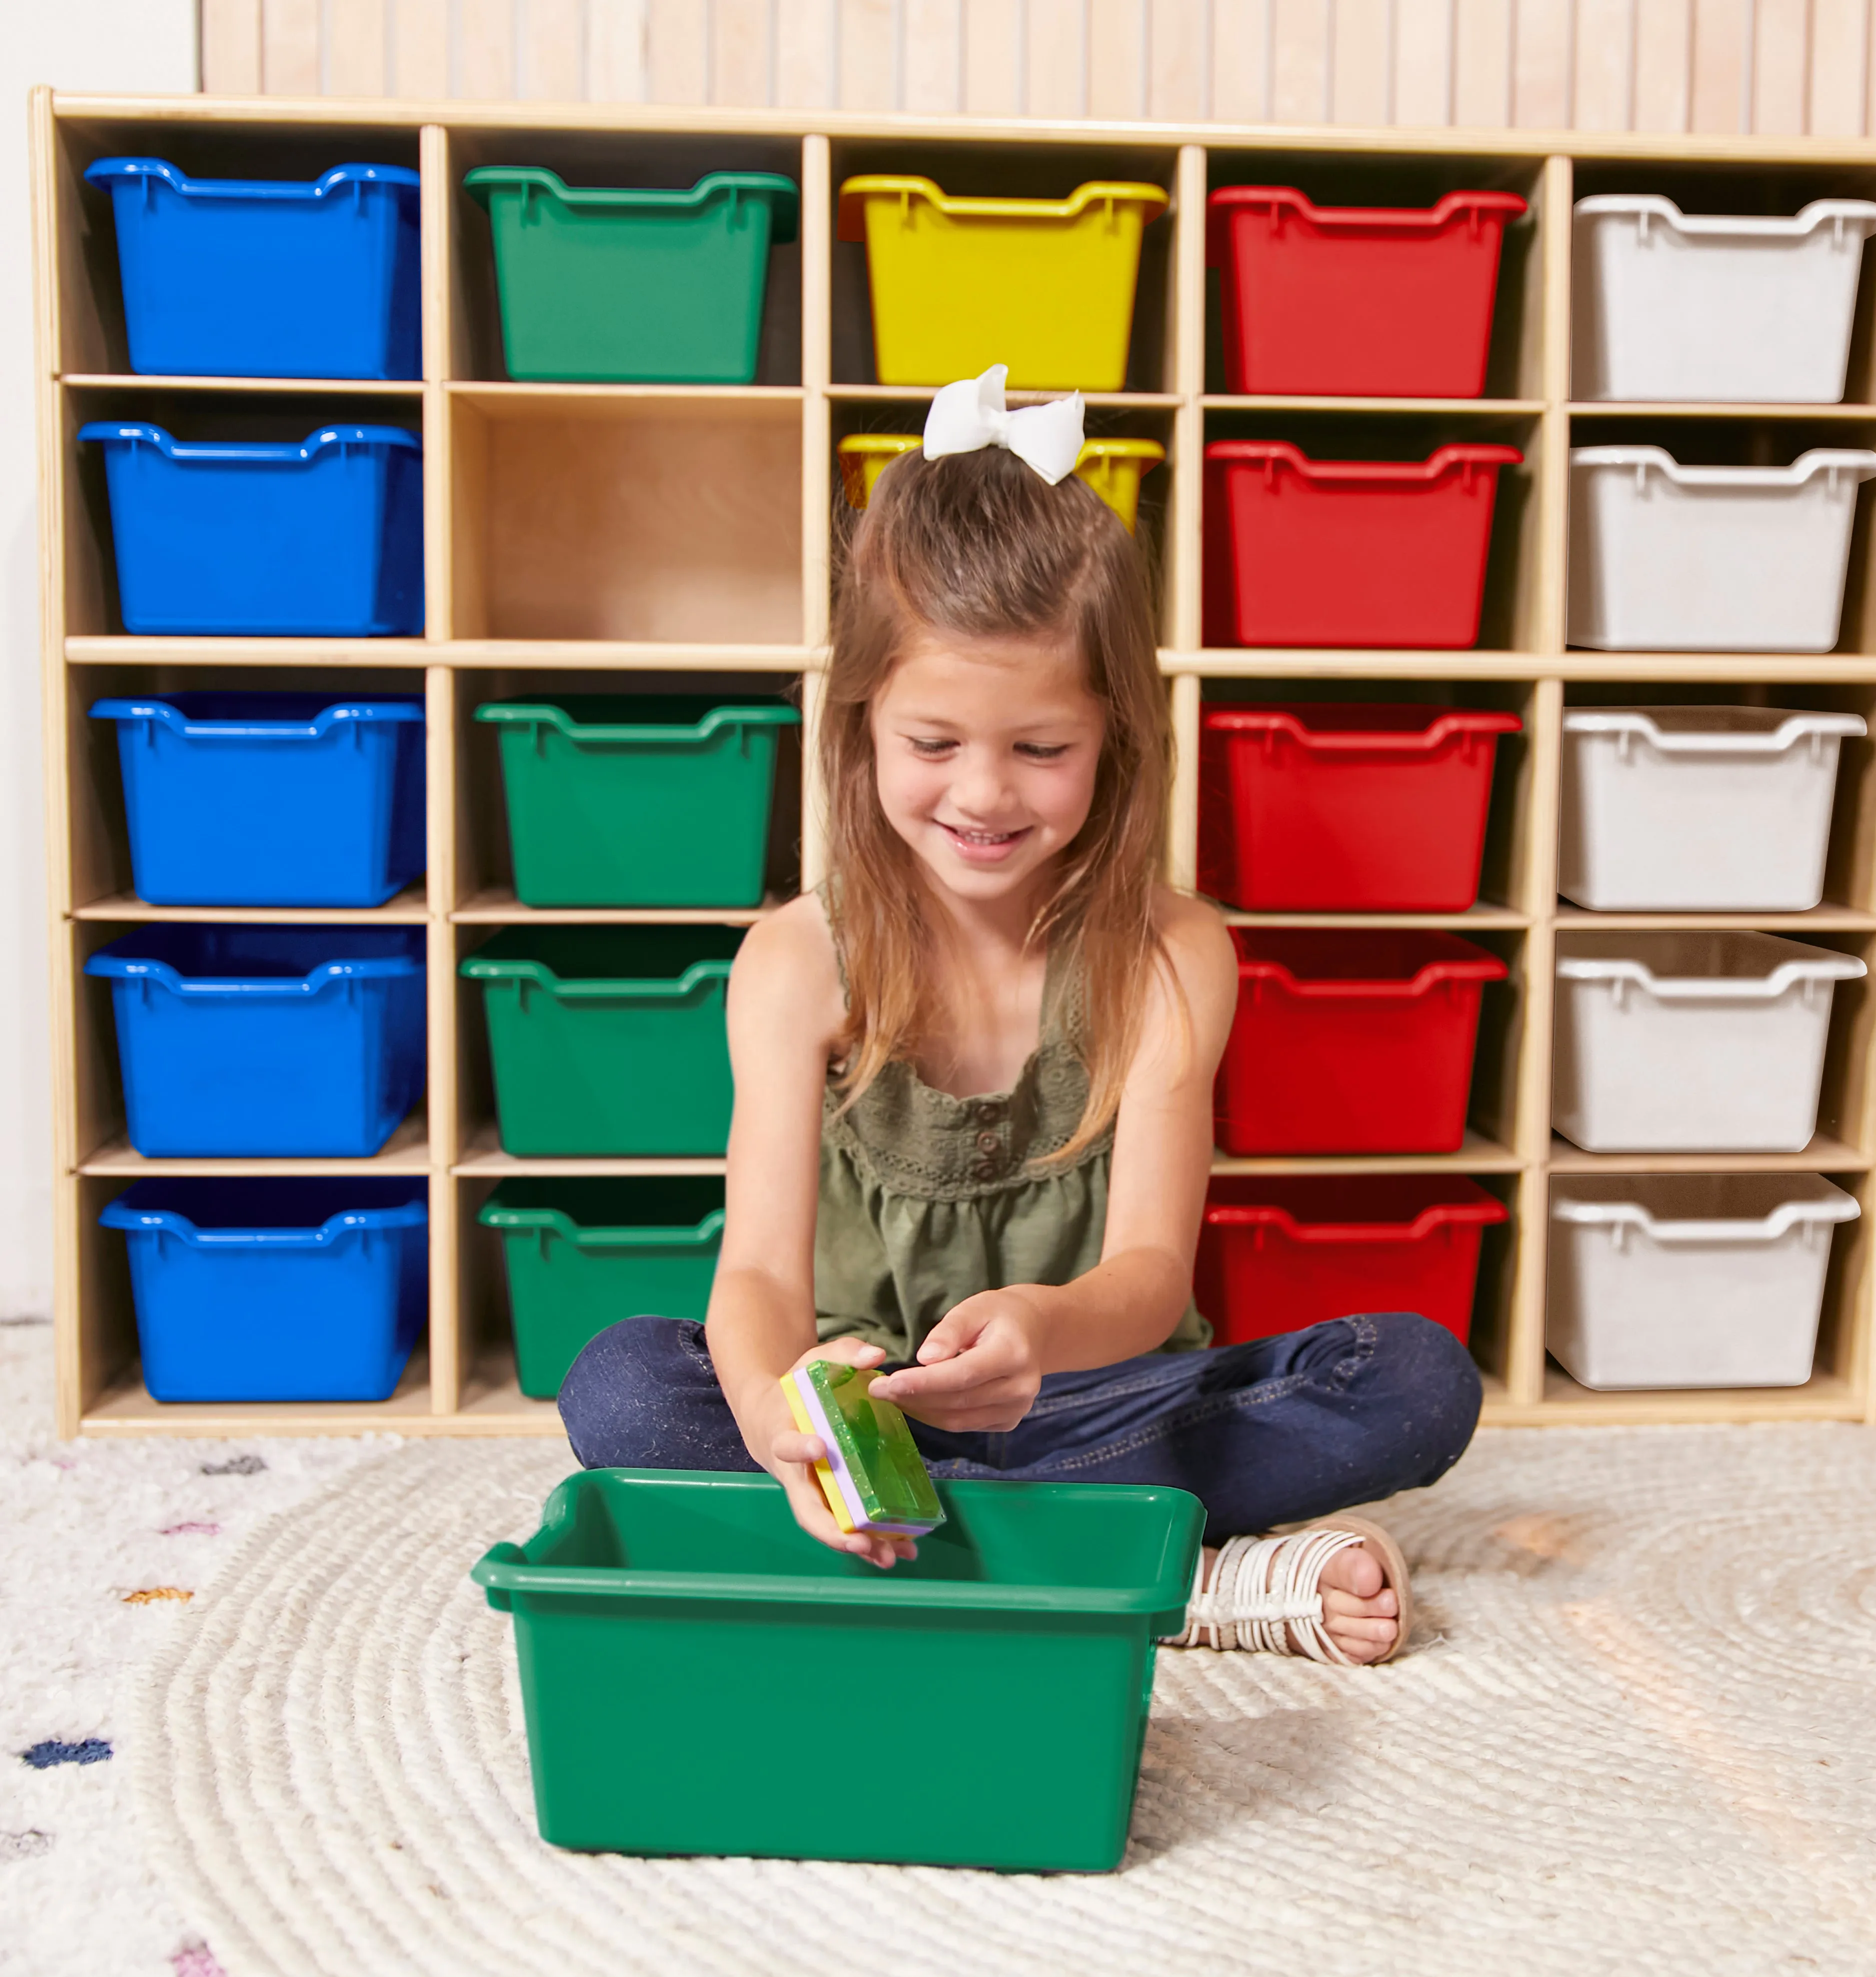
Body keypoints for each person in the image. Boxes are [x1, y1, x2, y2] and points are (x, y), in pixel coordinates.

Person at [559, 366, 1483, 1666]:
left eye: (1040, 749)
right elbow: (758, 1276)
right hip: (874, 1413)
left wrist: (1044, 1330)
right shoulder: (793, 961)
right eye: (933, 742)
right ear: (861, 727)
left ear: (1113, 740)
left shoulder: (1170, 954)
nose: (982, 794)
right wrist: (784, 1425)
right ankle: (1180, 1574)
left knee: (1415, 1376)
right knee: (622, 1386)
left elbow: (1153, 1280)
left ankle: (961, 1551)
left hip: (1090, 1392)